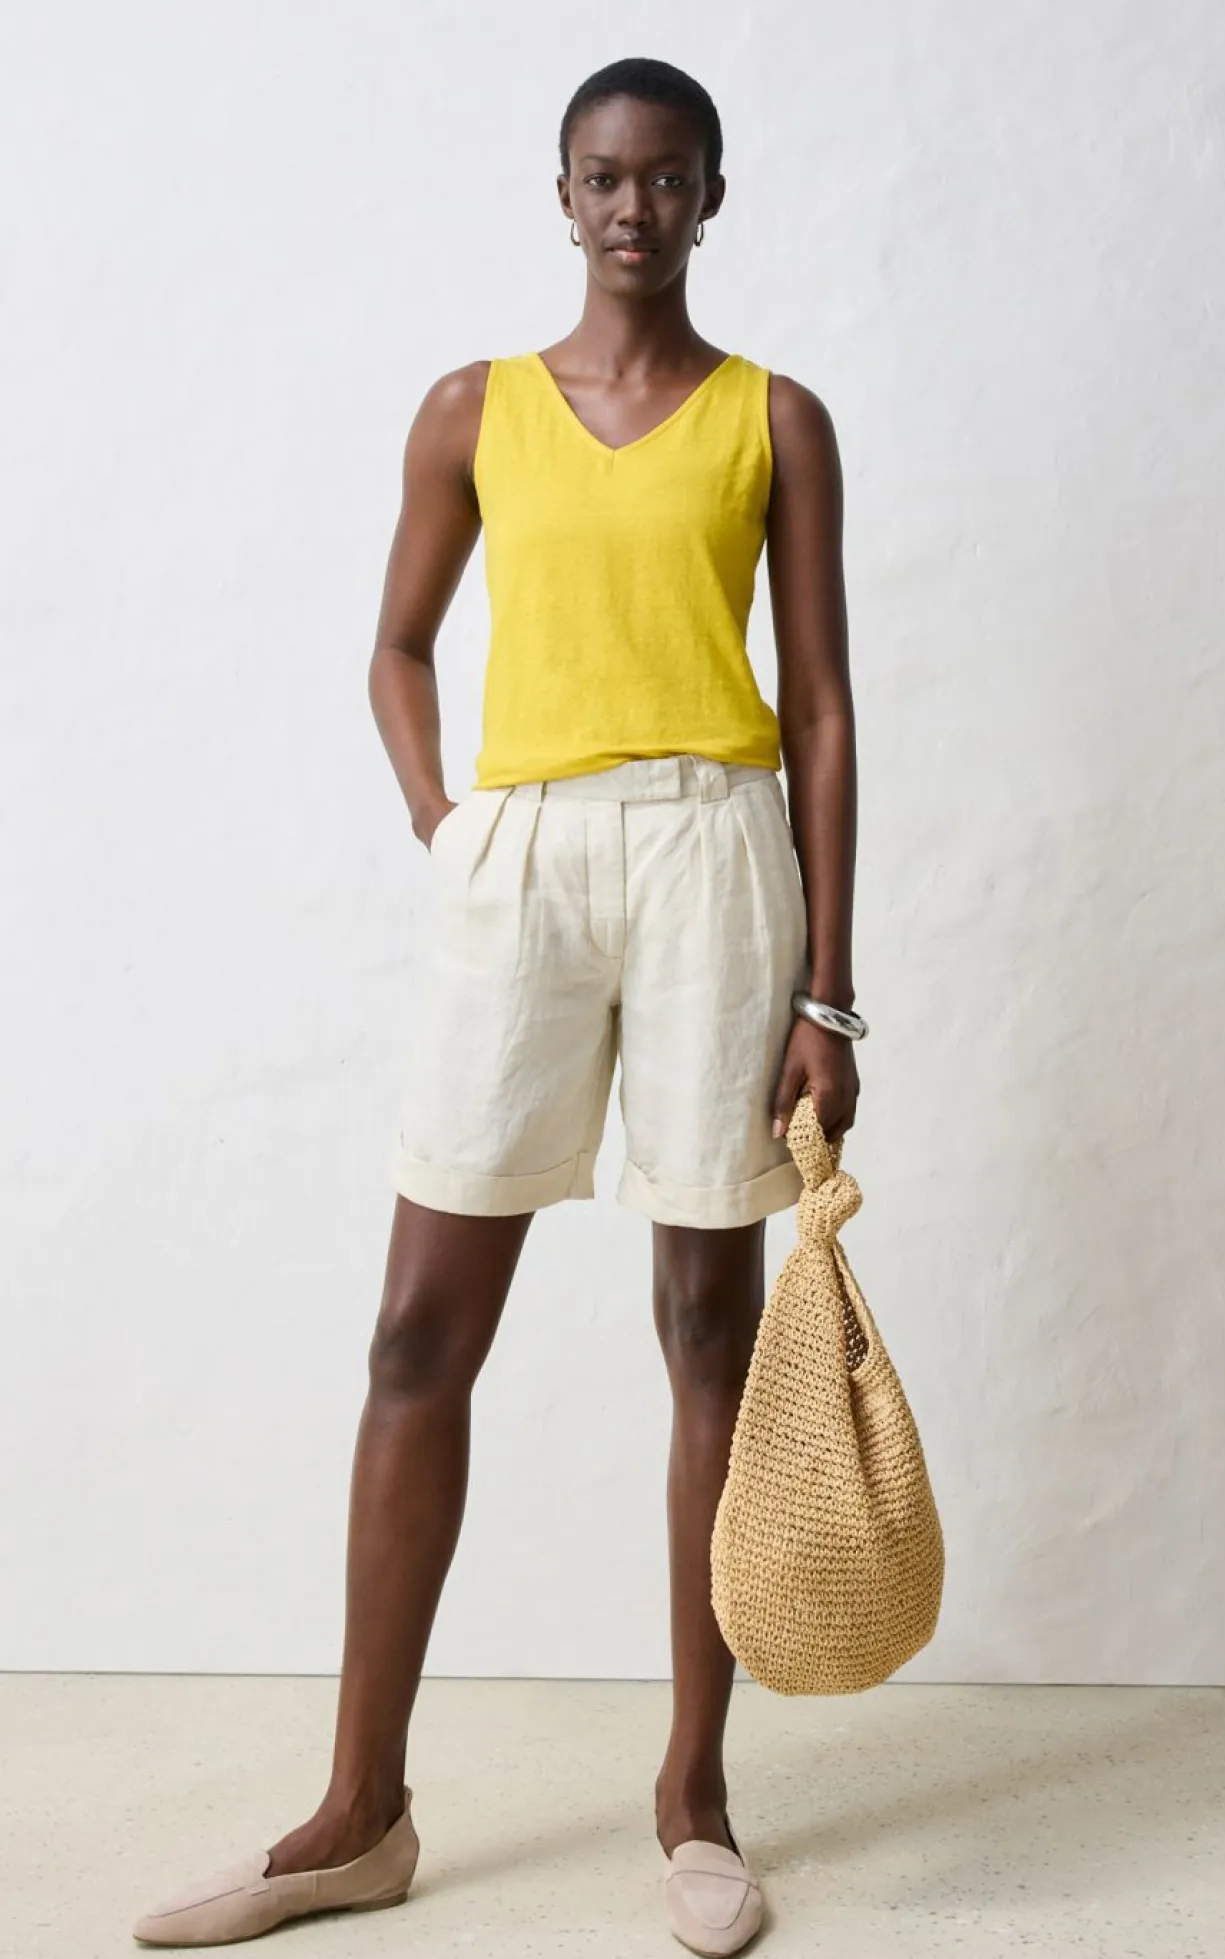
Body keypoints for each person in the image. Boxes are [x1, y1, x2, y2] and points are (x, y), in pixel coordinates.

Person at [131, 53, 863, 1959]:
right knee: (414, 1335)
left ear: (713, 197)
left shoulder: (775, 419)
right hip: (521, 863)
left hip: (716, 851)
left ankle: (696, 1799)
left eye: (668, 178)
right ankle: (359, 1812)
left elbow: (821, 704)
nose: (634, 208)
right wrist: (447, 823)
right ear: (561, 195)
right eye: (603, 178)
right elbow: (395, 643)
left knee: (706, 1328)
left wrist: (832, 995)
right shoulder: (474, 409)